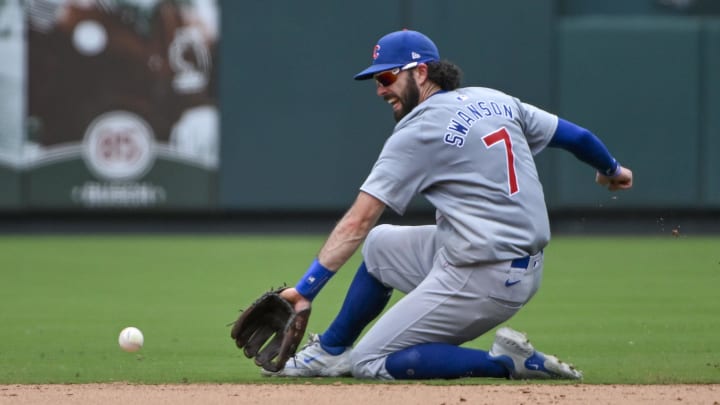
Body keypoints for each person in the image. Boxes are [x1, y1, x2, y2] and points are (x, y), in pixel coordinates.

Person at [264, 29, 633, 380]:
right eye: (377, 81)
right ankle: (330, 351)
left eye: (388, 77)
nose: (380, 89)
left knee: (370, 362)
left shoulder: (418, 131)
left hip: (487, 275)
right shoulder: (493, 99)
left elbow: (356, 222)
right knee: (380, 246)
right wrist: (612, 170)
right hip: (494, 256)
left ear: (421, 72)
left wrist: (306, 290)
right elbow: (577, 136)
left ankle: (505, 363)